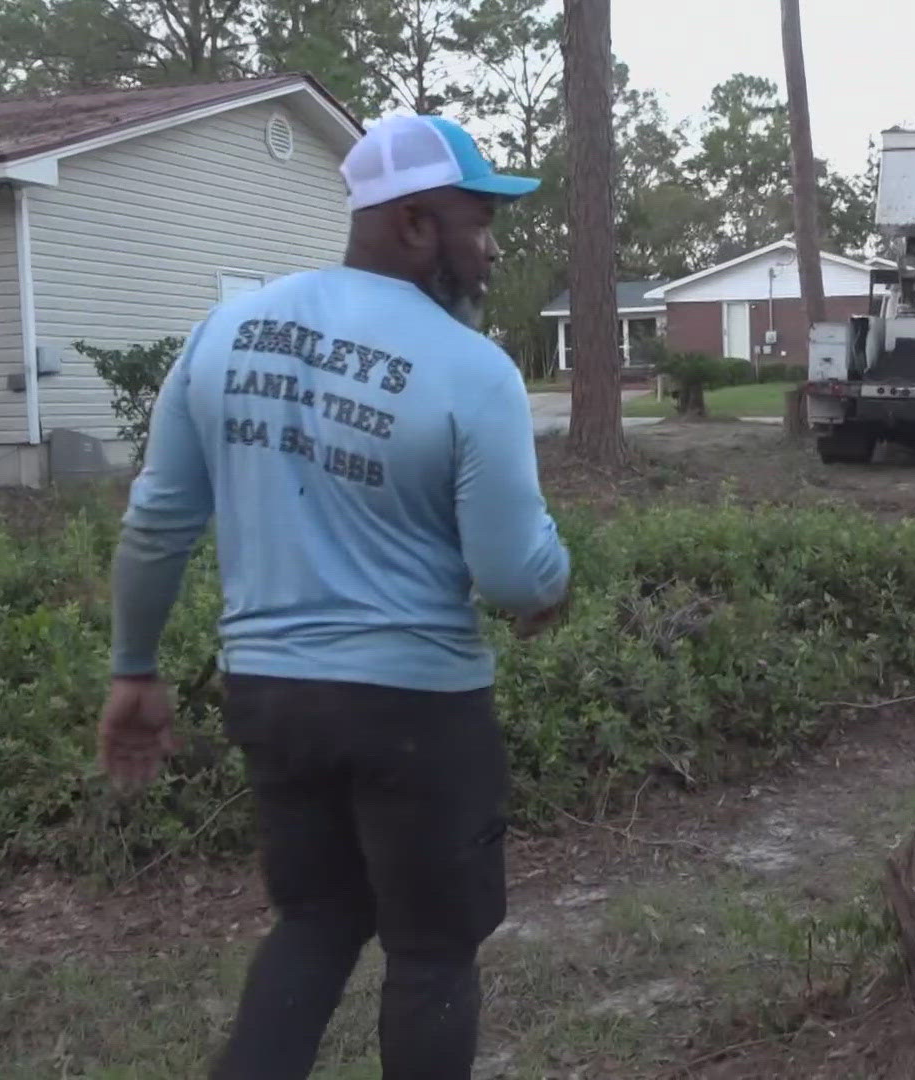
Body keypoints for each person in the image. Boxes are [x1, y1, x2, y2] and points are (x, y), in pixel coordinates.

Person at [95, 114, 571, 1079]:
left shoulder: (223, 334)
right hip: (419, 708)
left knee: (315, 922)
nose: (488, 249)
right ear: (411, 226)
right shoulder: (472, 369)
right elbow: (514, 574)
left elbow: (157, 524)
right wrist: (555, 585)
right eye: (476, 223)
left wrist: (134, 667)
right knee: (432, 953)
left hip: (270, 696)